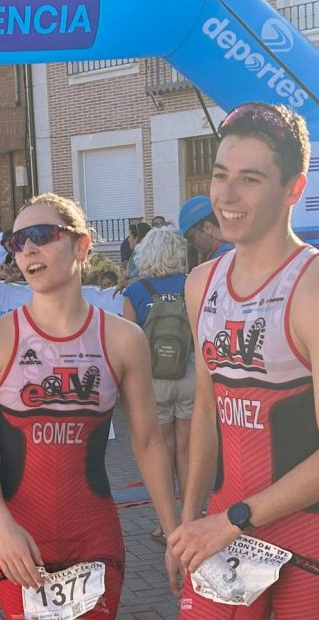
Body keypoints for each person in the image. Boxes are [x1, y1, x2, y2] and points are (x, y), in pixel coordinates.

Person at [168, 102, 319, 618]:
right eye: (220, 175)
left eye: (250, 179)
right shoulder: (201, 284)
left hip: (311, 531)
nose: (227, 196)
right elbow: (208, 414)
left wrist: (231, 519)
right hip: (224, 522)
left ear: (294, 190)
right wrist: (187, 520)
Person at [0, 193, 179, 618]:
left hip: (93, 538)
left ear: (81, 246)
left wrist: (174, 536)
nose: (27, 249)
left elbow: (150, 443)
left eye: (41, 235)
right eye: (17, 240)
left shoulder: (122, 339)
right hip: (19, 540)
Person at [122, 227, 195, 544]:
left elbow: (128, 343)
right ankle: (192, 518)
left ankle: (169, 525)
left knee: (161, 451)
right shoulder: (193, 285)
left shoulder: (135, 292)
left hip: (153, 380)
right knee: (187, 450)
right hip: (190, 373)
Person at [178, 195, 232, 263]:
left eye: (191, 237)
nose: (190, 244)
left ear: (207, 227)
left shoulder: (222, 258)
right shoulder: (236, 247)